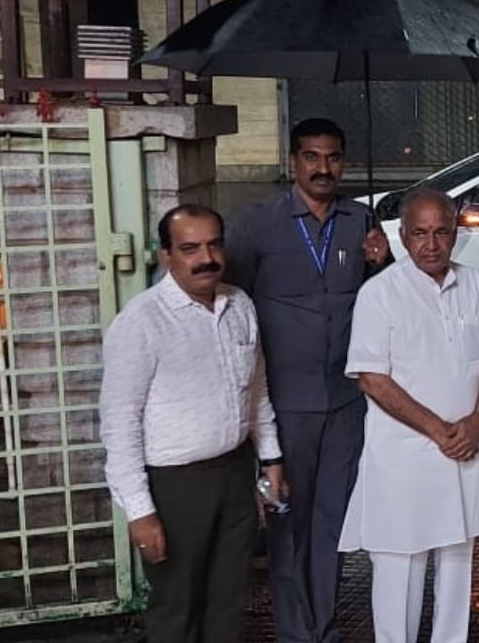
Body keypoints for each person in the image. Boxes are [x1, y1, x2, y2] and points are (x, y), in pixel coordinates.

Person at [224, 118, 391, 643]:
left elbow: (382, 306)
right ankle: (295, 631)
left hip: (346, 404)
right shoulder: (258, 224)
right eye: (312, 157)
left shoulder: (361, 221)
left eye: (334, 157)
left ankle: (324, 626)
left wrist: (381, 264)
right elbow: (233, 305)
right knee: (287, 522)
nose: (323, 168)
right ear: (293, 161)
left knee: (331, 523)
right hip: (285, 406)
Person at [340, 189, 479, 643]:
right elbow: (372, 380)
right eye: (419, 233)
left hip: (466, 449)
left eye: (442, 232)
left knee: (459, 559)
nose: (431, 244)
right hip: (405, 458)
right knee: (400, 563)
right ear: (403, 236)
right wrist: (440, 431)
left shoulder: (474, 283)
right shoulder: (379, 294)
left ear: (456, 233)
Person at [100, 205, 285, 643]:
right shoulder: (141, 322)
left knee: (227, 603)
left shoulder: (239, 305)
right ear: (166, 255)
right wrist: (140, 513)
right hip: (174, 486)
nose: (206, 258)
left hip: (235, 475)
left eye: (213, 244)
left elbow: (256, 390)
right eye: (189, 248)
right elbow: (119, 425)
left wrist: (271, 458)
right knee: (176, 609)